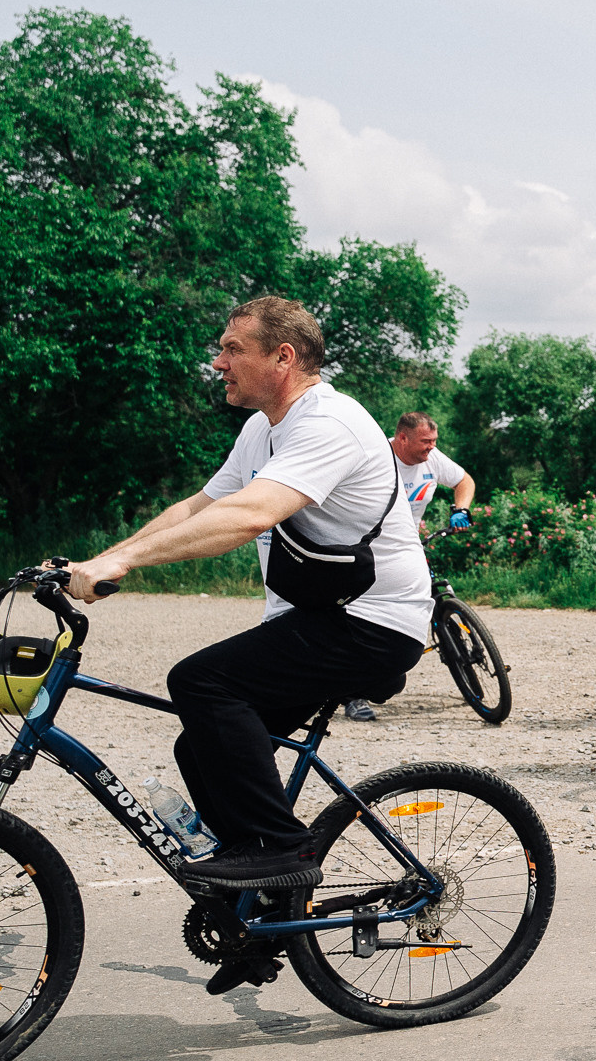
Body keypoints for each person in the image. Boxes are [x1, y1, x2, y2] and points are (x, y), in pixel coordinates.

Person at [59, 296, 429, 894]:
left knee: (202, 682)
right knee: (202, 745)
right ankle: (258, 910)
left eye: (232, 349)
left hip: (374, 621)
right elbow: (200, 507)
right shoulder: (263, 428)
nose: (218, 362)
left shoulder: (329, 425)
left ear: (283, 357)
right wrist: (106, 558)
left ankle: (281, 848)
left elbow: (249, 515)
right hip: (321, 614)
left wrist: (125, 560)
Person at [343, 412, 479, 722]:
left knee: (434, 592)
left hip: (407, 544)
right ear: (402, 438)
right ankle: (353, 694)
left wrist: (462, 508)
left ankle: (459, 640)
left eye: (434, 443)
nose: (431, 449)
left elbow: (463, 480)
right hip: (368, 547)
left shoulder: (430, 458)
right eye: (425, 443)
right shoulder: (374, 457)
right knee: (365, 617)